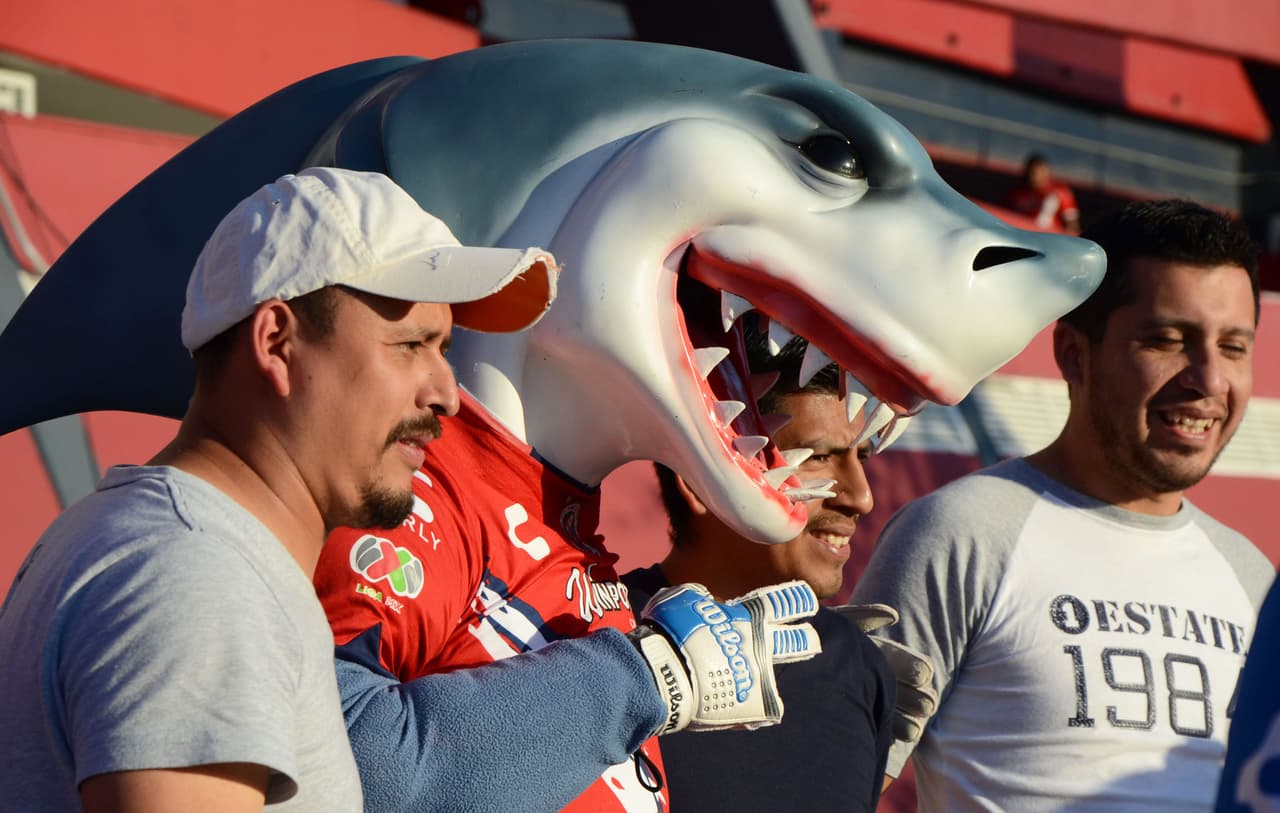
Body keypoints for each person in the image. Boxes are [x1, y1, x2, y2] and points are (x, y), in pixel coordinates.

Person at [0, 167, 560, 811]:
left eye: (445, 350)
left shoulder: (171, 548)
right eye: (409, 345)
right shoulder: (200, 579)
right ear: (277, 342)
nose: (446, 395)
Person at [852, 198, 1271, 812]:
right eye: (1167, 340)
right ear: (1075, 353)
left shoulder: (1253, 577)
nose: (1208, 380)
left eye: (1233, 347)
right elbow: (841, 776)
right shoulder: (962, 534)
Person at [624, 334, 913, 812]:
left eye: (860, 457)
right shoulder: (592, 641)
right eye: (819, 458)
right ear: (703, 479)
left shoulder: (857, 665)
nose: (862, 498)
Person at [1005, 152, 1082, 235]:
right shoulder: (1017, 193)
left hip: (1048, 238)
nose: (1035, 176)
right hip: (1020, 234)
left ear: (1047, 172)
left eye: (1039, 172)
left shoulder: (1059, 192)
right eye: (1032, 172)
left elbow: (1072, 225)